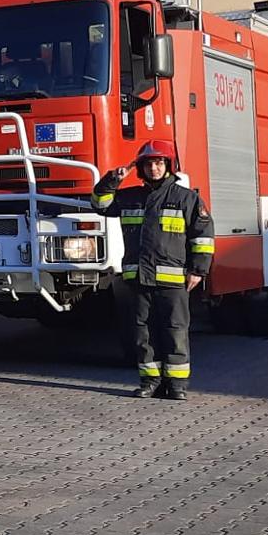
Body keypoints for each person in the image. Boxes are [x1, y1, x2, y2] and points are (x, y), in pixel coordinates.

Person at [95, 140, 214, 400]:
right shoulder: (129, 197)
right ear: (141, 168)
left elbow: (203, 237)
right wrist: (113, 179)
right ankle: (151, 381)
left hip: (174, 281)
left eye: (159, 163)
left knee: (175, 330)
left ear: (168, 166)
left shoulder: (187, 198)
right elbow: (100, 204)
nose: (154, 168)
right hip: (139, 278)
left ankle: (177, 385)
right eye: (149, 164)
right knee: (143, 332)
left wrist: (198, 270)